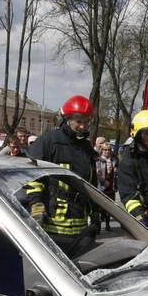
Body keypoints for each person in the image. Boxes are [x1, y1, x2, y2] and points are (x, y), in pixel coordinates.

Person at [25, 95, 99, 256]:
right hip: (52, 225)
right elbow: (32, 176)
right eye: (79, 121)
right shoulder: (48, 142)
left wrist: (95, 211)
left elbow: (92, 183)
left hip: (80, 227)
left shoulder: (86, 148)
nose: (83, 126)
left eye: (86, 122)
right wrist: (36, 204)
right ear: (67, 118)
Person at [95, 141, 117, 230]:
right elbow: (97, 174)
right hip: (101, 187)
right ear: (102, 150)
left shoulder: (114, 161)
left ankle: (108, 225)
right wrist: (101, 178)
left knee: (110, 208)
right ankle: (99, 226)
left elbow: (116, 174)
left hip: (111, 188)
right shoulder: (98, 160)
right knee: (100, 208)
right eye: (105, 150)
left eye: (108, 150)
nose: (107, 151)